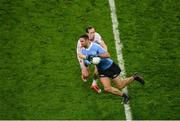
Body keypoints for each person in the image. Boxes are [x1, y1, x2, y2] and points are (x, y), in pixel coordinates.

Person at [78, 34, 145, 103]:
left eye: (82, 41)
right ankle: (125, 96)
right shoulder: (83, 51)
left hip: (110, 67)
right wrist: (90, 60)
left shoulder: (96, 46)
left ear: (87, 40)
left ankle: (135, 77)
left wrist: (96, 55)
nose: (81, 43)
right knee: (107, 88)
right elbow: (87, 61)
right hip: (101, 70)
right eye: (80, 41)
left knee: (121, 85)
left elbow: (107, 55)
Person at [76, 26, 108, 93]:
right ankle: (84, 72)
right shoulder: (81, 41)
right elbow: (80, 54)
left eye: (94, 32)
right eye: (91, 33)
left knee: (98, 68)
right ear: (87, 34)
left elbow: (104, 45)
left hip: (93, 53)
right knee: (86, 75)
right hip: (84, 56)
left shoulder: (97, 35)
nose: (93, 34)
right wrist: (88, 58)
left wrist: (104, 53)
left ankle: (94, 83)